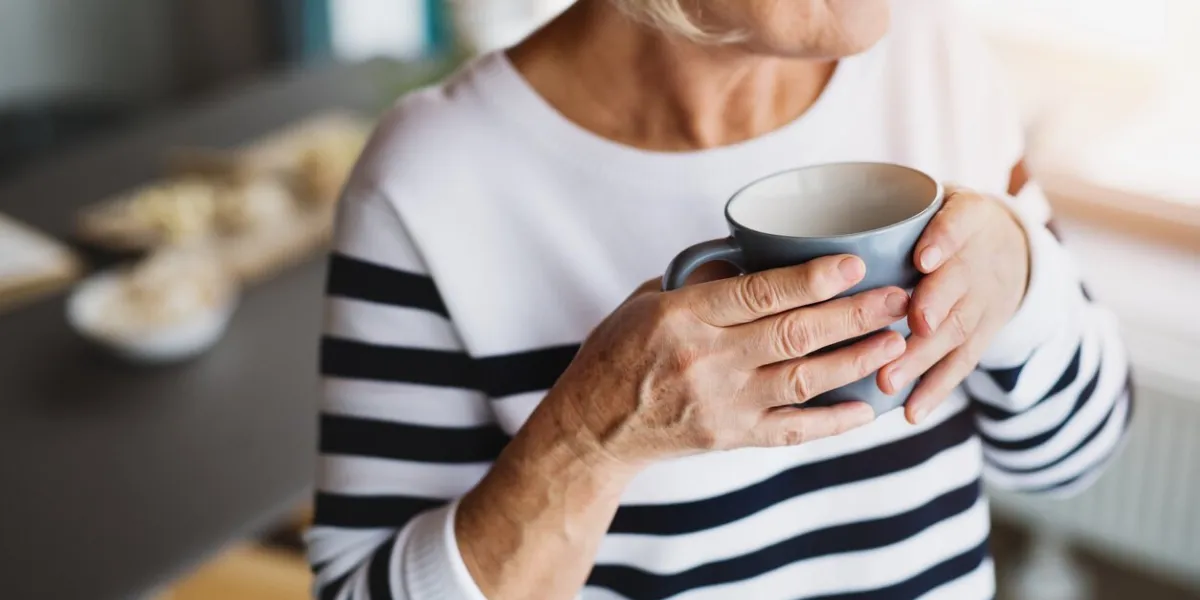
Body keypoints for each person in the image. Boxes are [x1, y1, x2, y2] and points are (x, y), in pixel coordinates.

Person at [305, 1, 1133, 598]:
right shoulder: (428, 184)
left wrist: (1023, 279)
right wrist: (589, 440)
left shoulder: (935, 57)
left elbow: (1074, 457)